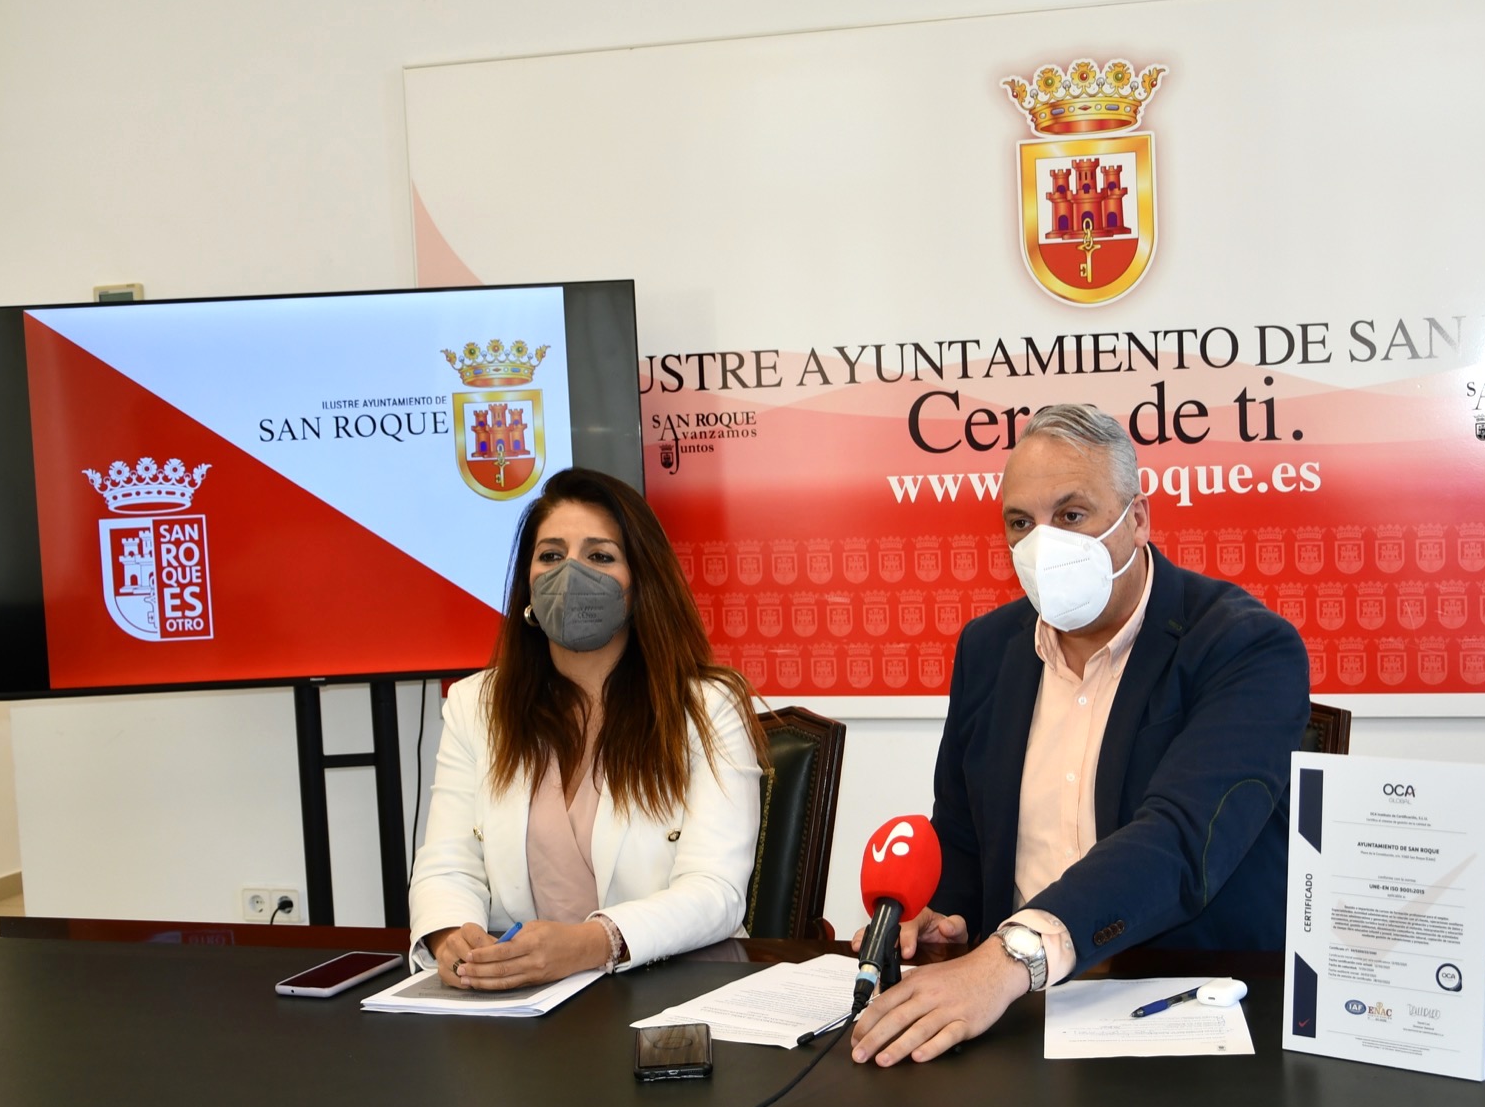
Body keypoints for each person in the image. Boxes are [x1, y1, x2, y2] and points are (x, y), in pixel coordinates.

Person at [851, 404, 1310, 1065]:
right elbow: (963, 838)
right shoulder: (988, 649)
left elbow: (1180, 839)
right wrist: (940, 918)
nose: (1044, 544)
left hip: (1189, 1013)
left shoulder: (1243, 646)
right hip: (1013, 1020)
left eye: (1071, 515)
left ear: (1138, 518)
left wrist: (1009, 958)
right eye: (1021, 523)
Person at [409, 467, 767, 988]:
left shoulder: (708, 708)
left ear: (640, 584)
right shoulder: (475, 706)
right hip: (518, 1000)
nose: (570, 574)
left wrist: (592, 944)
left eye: (599, 557)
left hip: (666, 989)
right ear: (527, 584)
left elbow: (716, 891)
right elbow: (447, 863)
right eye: (551, 556)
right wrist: (451, 936)